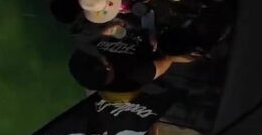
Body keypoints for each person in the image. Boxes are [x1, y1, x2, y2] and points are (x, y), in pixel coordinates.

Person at [68, 25, 197, 98]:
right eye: (100, 56)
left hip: (133, 25)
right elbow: (168, 59)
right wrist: (155, 37)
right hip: (159, 43)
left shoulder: (85, 64)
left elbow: (82, 41)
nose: (100, 53)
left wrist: (105, 32)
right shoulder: (136, 75)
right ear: (107, 66)